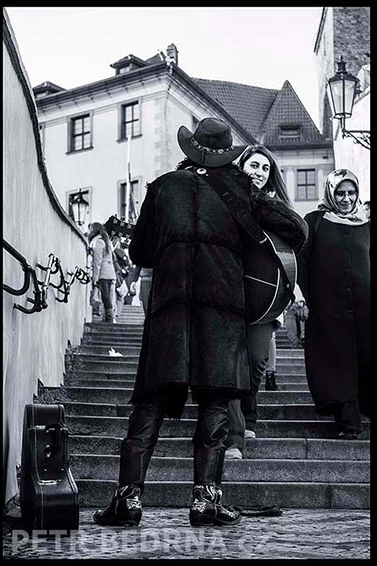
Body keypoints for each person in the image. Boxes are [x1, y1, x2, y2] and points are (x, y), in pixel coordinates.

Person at [92, 118, 307, 528]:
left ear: (191, 150)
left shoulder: (162, 187)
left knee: (150, 405)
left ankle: (128, 500)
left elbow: (139, 253)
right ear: (228, 152)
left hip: (170, 312)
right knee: (214, 405)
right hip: (222, 313)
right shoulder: (243, 188)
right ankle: (205, 502)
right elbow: (297, 229)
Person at [225, 145, 308, 456]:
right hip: (229, 293)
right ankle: (235, 435)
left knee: (257, 360)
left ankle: (249, 414)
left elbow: (299, 232)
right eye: (253, 166)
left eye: (264, 168)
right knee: (230, 364)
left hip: (265, 299)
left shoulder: (272, 207)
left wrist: (257, 201)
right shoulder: (226, 201)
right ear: (240, 166)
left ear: (270, 176)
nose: (258, 172)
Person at [297, 169, 370, 439]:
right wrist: (301, 296)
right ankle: (348, 422)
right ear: (330, 193)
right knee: (336, 363)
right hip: (328, 309)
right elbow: (302, 261)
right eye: (340, 193)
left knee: (362, 358)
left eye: (351, 193)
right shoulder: (315, 221)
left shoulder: (366, 223)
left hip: (364, 308)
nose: (346, 198)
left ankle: (359, 412)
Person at [89, 222, 116, 323]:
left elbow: (97, 262)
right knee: (107, 296)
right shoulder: (106, 241)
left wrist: (95, 278)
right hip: (110, 272)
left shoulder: (99, 242)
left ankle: (109, 318)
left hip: (103, 273)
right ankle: (108, 317)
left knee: (105, 296)